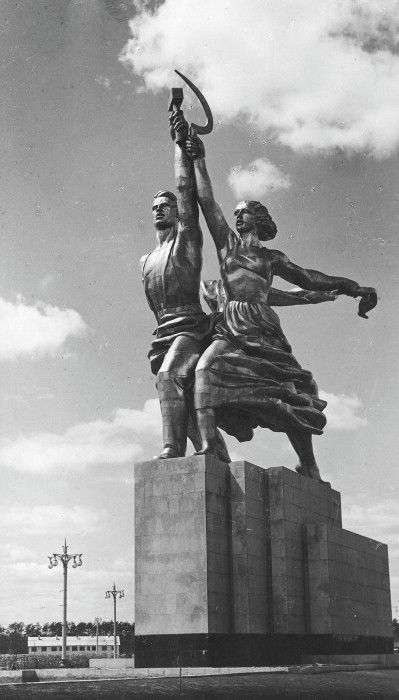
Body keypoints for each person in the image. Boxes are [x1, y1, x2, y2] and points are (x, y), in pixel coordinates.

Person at [173, 117, 376, 483]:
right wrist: (198, 158)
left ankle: (308, 463)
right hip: (231, 327)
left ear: (258, 219)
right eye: (235, 213)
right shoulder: (227, 246)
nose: (236, 215)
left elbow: (311, 278)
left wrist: (352, 287)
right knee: (204, 372)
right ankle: (207, 448)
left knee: (289, 392)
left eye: (244, 211)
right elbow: (206, 200)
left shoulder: (272, 259)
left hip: (263, 329)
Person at [140, 114, 230, 461]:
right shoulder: (146, 261)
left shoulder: (186, 243)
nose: (159, 211)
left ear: (178, 213)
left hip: (190, 329)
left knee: (169, 377)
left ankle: (170, 448)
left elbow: (185, 190)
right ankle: (216, 453)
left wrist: (180, 144)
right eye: (154, 208)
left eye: (166, 206)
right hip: (163, 334)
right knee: (187, 412)